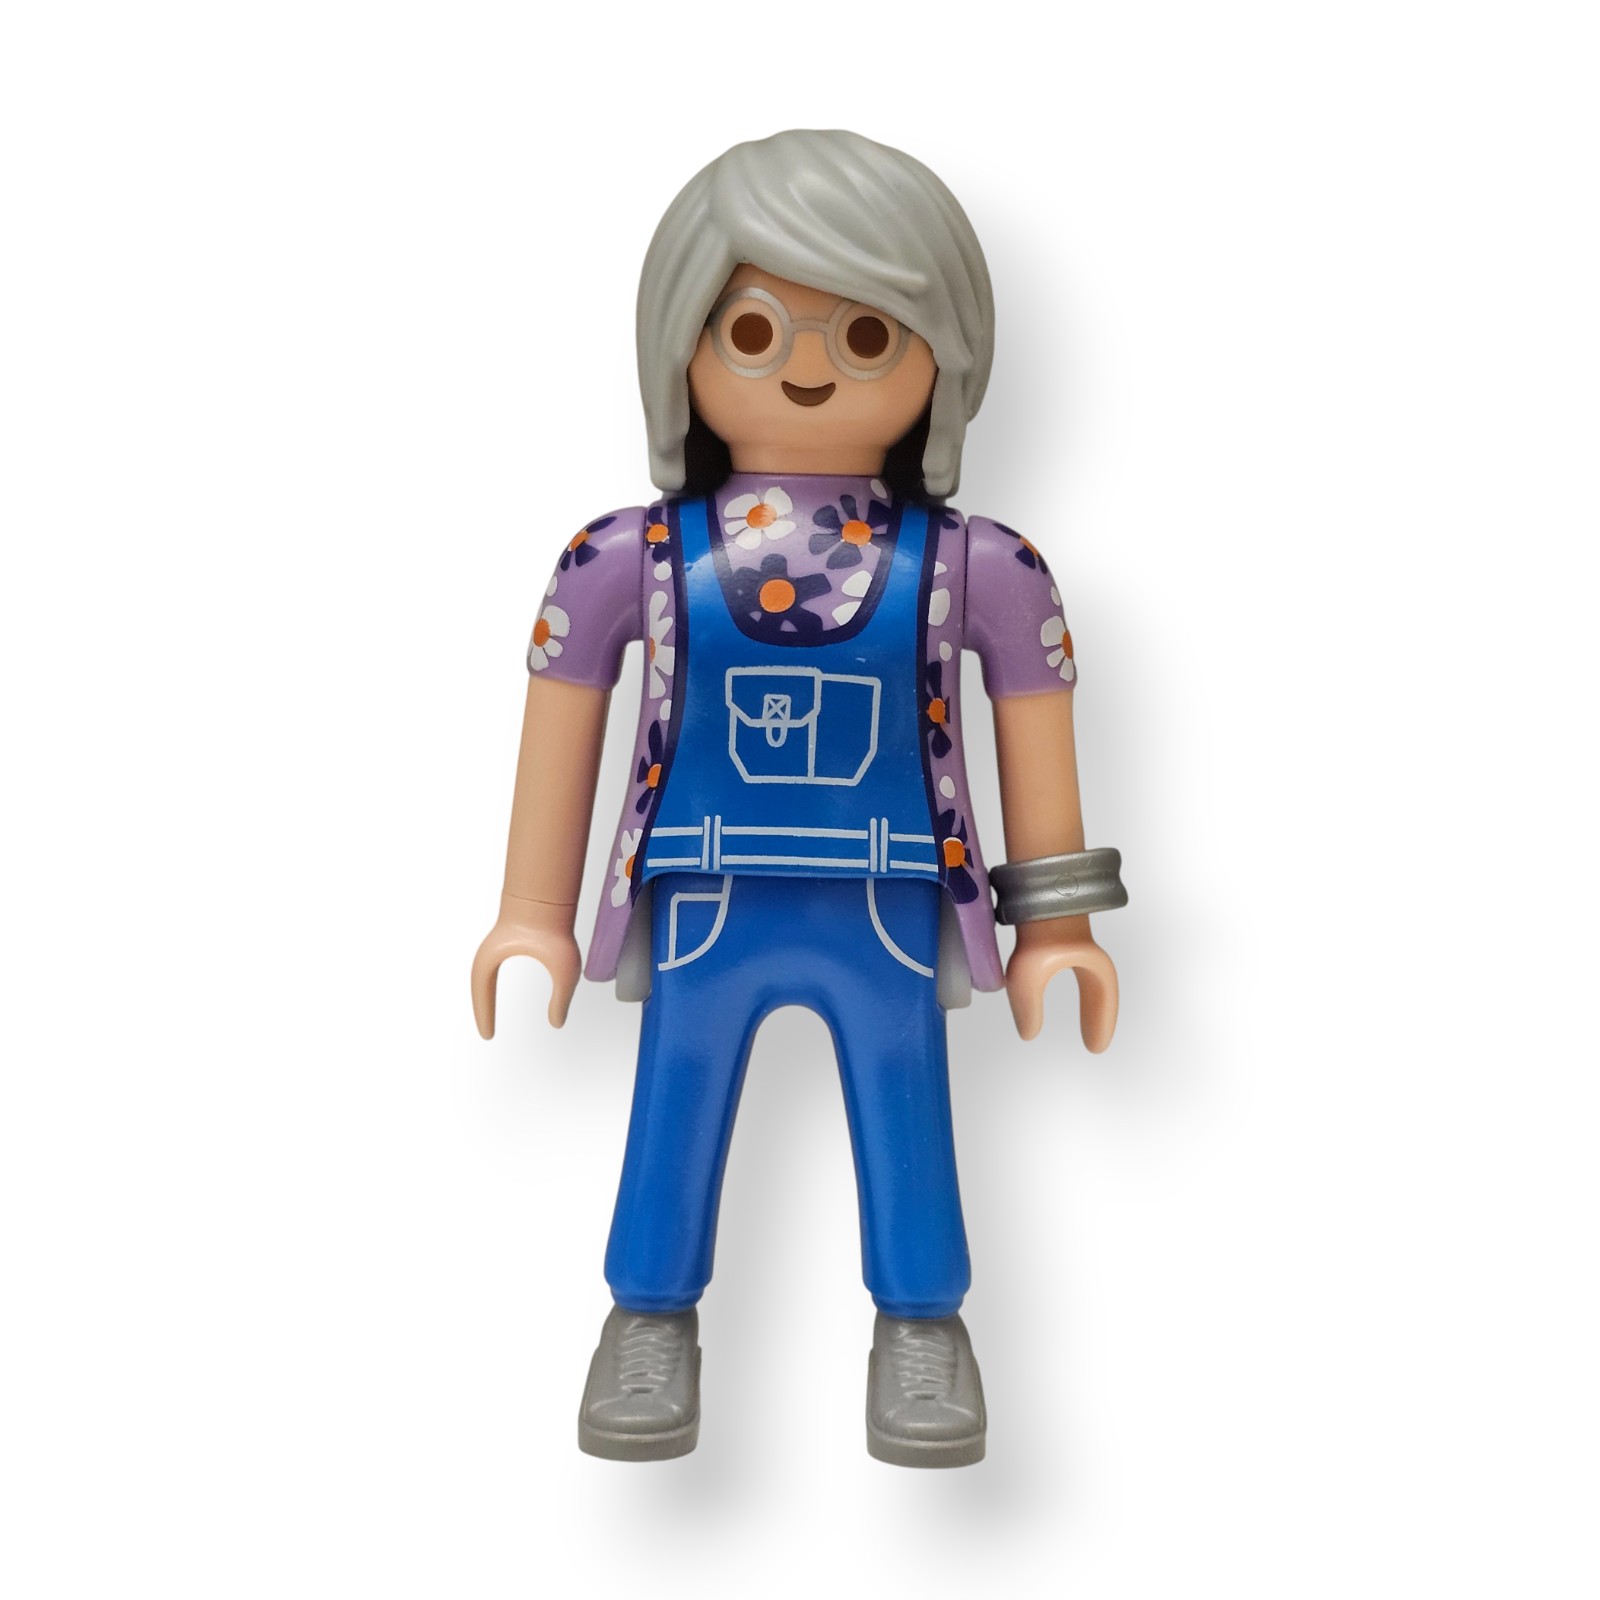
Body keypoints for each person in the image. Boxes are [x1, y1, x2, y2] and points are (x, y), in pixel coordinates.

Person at [471, 129, 1125, 1467]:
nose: (811, 367)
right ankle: (648, 1315)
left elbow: (1037, 734)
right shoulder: (627, 557)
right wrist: (530, 913)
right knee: (677, 1091)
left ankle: (924, 1325)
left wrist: (1058, 926)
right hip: (706, 888)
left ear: (944, 360)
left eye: (869, 334)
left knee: (905, 1092)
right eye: (756, 329)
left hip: (888, 895)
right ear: (681, 348)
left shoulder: (982, 567)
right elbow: (562, 715)